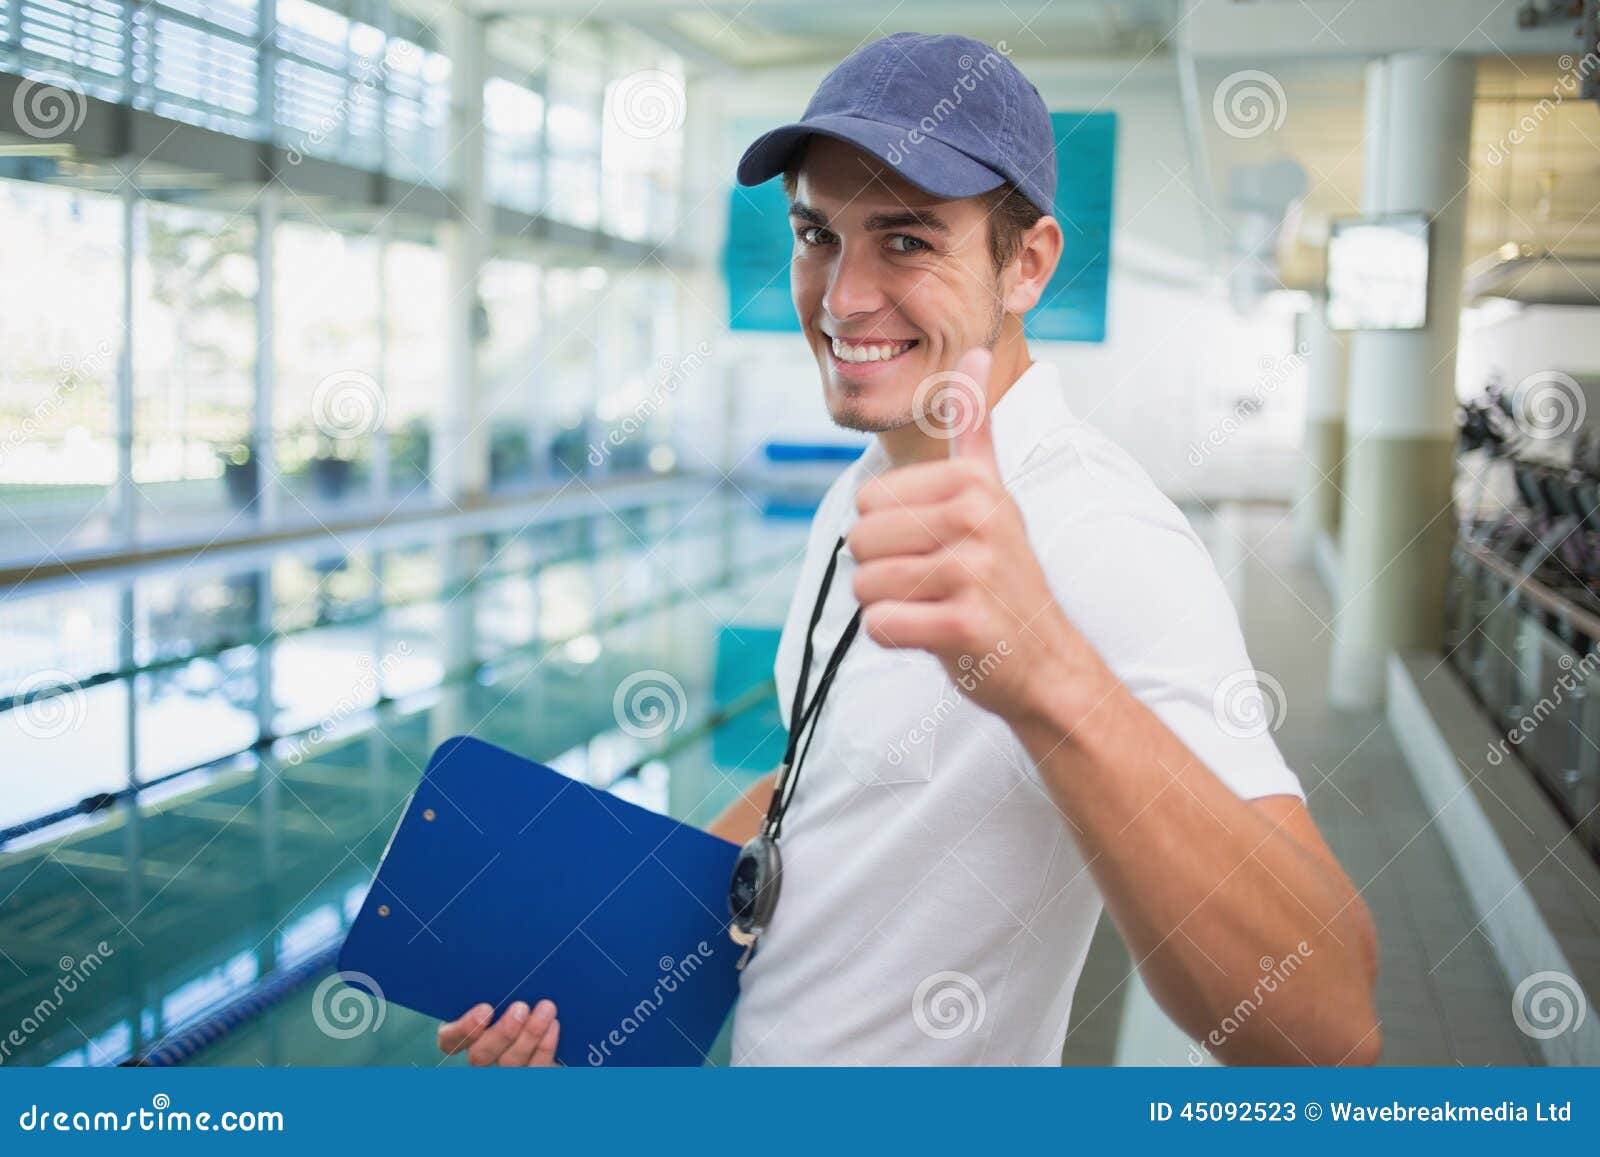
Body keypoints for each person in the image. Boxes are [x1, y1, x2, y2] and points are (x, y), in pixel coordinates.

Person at [439, 31, 1380, 1068]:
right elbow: (824, 783)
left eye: (906, 240)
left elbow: (1326, 1024)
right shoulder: (865, 487)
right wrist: (596, 958)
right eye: (816, 235)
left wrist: (1048, 673)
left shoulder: (1100, 538)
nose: (841, 298)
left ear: (1026, 263)